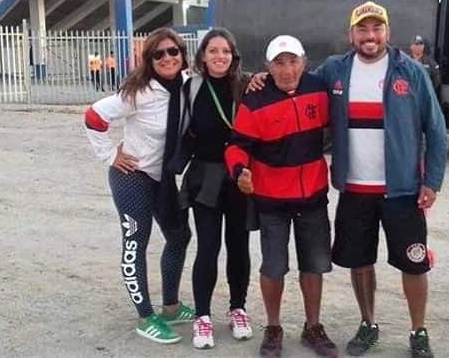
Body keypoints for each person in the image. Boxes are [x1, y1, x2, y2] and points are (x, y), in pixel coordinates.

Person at [248, 2, 448, 358]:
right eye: (362, 30)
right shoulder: (336, 71)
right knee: (360, 260)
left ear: (387, 32)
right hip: (355, 189)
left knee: (413, 262)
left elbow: (435, 129)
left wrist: (431, 181)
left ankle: (419, 331)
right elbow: (294, 77)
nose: (370, 37)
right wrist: (258, 79)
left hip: (402, 190)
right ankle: (367, 323)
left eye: (377, 29)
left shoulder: (411, 71)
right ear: (351, 34)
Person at [226, 35, 337, 358]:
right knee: (273, 267)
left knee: (314, 265)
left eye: (293, 61)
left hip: (313, 195)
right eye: (279, 63)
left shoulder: (320, 89)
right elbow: (237, 145)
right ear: (267, 67)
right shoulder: (256, 100)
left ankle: (312, 326)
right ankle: (273, 327)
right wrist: (238, 172)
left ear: (304, 62)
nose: (287, 69)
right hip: (271, 199)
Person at [84, 28, 195, 344]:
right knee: (136, 241)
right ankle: (146, 316)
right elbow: (94, 117)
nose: (167, 58)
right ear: (149, 60)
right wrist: (110, 154)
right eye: (158, 54)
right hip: (132, 177)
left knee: (179, 235)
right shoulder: (139, 92)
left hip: (163, 177)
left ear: (182, 54)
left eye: (173, 51)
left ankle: (171, 306)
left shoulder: (188, 86)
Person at [176, 28, 252, 349]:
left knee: (239, 244)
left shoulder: (248, 86)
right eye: (213, 51)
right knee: (208, 246)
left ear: (233, 55)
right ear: (203, 56)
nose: (220, 56)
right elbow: (176, 127)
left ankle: (238, 308)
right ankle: (203, 317)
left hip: (240, 176)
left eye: (225, 51)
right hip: (205, 175)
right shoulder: (191, 87)